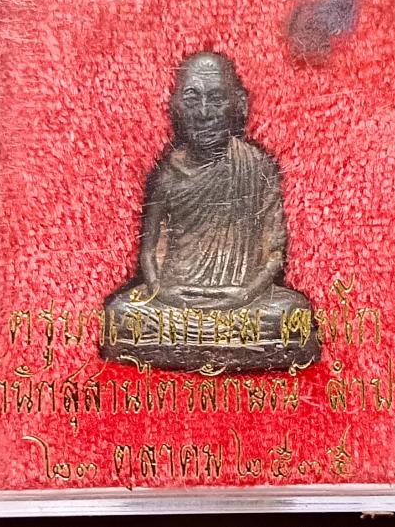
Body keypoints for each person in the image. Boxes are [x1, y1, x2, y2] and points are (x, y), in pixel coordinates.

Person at [100, 52, 320, 372]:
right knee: (122, 314)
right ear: (176, 106)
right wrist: (164, 292)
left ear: (238, 104)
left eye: (216, 99)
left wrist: (244, 294)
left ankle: (199, 339)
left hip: (242, 298)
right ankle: (221, 341)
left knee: (291, 314)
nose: (204, 113)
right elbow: (149, 253)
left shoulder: (257, 167)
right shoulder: (167, 174)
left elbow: (273, 254)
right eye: (192, 98)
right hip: (176, 298)